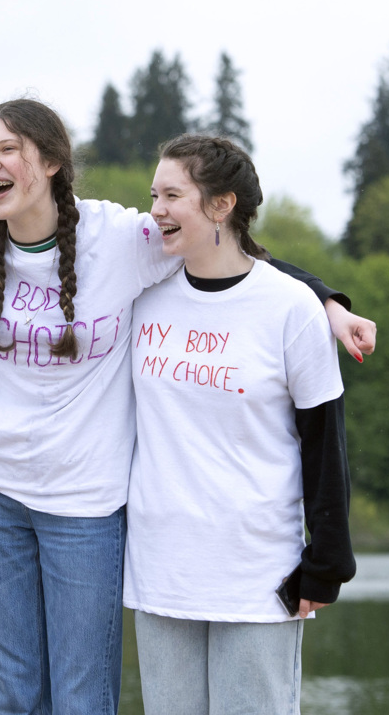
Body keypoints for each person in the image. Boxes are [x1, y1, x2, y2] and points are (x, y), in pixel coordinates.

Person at [0, 99, 373, 715]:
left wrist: (326, 302)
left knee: (82, 696)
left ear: (51, 162)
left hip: (92, 500)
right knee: (13, 692)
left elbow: (238, 259)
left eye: (8, 150)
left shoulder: (120, 241)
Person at [125, 134, 355, 713]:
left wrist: (327, 562)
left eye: (172, 195)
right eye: (154, 194)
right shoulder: (143, 294)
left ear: (221, 204)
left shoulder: (290, 307)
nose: (156, 209)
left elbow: (324, 441)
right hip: (162, 569)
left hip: (256, 571)